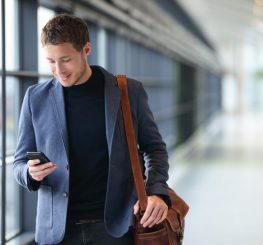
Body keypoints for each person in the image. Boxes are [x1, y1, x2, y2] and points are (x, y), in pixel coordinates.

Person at [13, 14, 170, 245]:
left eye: (66, 59)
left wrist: (156, 191)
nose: (58, 70)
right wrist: (29, 173)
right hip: (58, 232)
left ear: (86, 49)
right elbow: (18, 164)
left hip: (116, 228)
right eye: (51, 61)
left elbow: (154, 149)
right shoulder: (35, 98)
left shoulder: (127, 91)